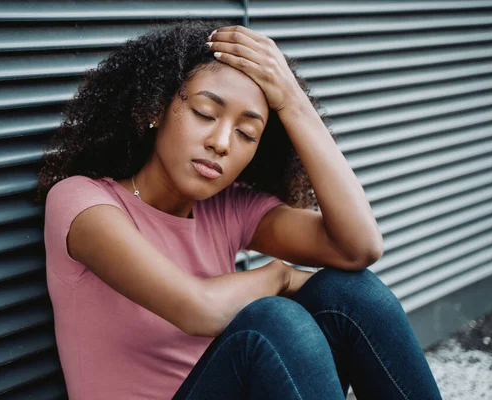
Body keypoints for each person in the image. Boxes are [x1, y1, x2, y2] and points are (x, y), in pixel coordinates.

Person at [36, 18, 443, 400]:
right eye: (204, 113)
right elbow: (197, 309)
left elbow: (360, 247)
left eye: (247, 133)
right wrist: (281, 275)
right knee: (274, 323)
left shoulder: (228, 207)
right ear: (153, 110)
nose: (222, 142)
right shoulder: (82, 202)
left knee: (351, 293)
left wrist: (294, 103)